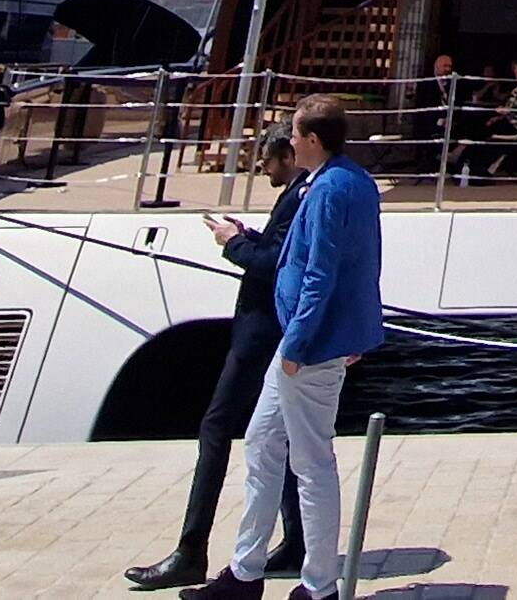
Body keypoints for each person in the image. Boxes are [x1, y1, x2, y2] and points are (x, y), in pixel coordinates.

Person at [193, 95, 383, 600]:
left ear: (313, 140)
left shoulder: (327, 192)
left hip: (309, 347)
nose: (289, 142)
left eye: (295, 135)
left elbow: (322, 272)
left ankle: (319, 587)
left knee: (313, 462)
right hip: (311, 343)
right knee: (260, 444)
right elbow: (361, 264)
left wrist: (297, 344)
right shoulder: (350, 180)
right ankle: (245, 572)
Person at [126, 133, 307, 590]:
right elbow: (278, 248)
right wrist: (249, 236)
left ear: (289, 155)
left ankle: (192, 550)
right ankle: (298, 540)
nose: (263, 171)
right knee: (277, 435)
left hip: (262, 333)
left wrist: (232, 244)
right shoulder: (301, 191)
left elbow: (275, 264)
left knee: (216, 427)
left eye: (267, 162)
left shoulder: (303, 193)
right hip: (268, 330)